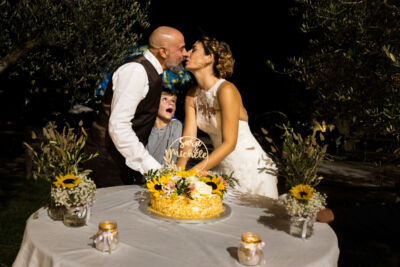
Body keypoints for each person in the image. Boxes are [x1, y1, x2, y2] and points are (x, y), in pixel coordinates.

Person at [84, 26, 188, 188]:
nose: (185, 53)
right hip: (106, 162)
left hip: (120, 161)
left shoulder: (151, 72)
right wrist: (152, 168)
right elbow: (119, 127)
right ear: (163, 52)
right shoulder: (136, 72)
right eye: (181, 48)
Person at [176, 36, 278, 199]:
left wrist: (192, 173)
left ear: (210, 57)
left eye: (193, 49)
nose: (187, 54)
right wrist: (178, 172)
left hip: (251, 168)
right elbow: (189, 139)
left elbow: (230, 143)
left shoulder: (226, 90)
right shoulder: (191, 95)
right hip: (222, 167)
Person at [146, 88, 183, 165]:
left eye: (173, 101)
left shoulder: (175, 125)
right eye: (164, 99)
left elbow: (172, 158)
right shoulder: (146, 129)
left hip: (166, 175)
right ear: (154, 105)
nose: (170, 103)